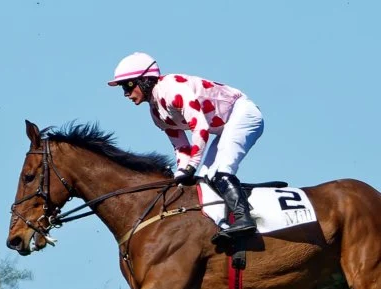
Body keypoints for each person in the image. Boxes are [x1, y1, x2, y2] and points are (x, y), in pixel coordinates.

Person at [107, 52, 264, 240]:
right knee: (204, 181)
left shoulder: (172, 90)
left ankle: (244, 219)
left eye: (129, 85)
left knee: (222, 172)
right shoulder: (157, 114)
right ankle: (222, 226)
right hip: (223, 128)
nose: (126, 93)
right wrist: (181, 174)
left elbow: (200, 127)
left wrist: (191, 165)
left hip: (243, 114)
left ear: (146, 80)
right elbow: (181, 147)